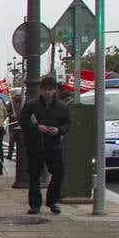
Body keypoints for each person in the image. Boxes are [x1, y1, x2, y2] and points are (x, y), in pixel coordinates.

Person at [19, 77, 71, 215]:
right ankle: (35, 204)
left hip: (53, 146)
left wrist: (59, 130)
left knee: (59, 173)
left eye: (50, 89)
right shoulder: (31, 105)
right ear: (40, 90)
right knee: (34, 175)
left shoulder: (61, 106)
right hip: (35, 145)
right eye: (45, 89)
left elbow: (66, 123)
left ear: (55, 90)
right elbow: (23, 121)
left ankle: (52, 201)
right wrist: (37, 127)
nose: (47, 92)